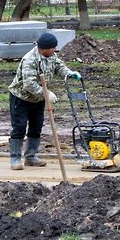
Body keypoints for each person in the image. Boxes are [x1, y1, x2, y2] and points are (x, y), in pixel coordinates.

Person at [7, 32, 81, 170]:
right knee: (19, 127)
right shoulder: (30, 59)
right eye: (53, 48)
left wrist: (70, 74)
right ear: (44, 48)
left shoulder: (51, 56)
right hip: (21, 98)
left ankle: (30, 156)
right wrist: (45, 92)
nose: (55, 50)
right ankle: (15, 158)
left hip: (38, 99)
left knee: (36, 126)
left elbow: (59, 66)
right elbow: (29, 84)